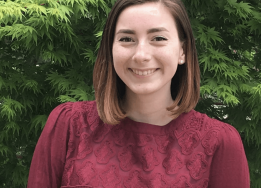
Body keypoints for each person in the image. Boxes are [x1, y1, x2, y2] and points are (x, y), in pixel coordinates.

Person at [27, 0, 250, 187]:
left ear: (183, 51)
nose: (141, 54)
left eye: (158, 38)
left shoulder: (219, 143)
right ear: (110, 49)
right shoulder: (69, 124)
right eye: (126, 39)